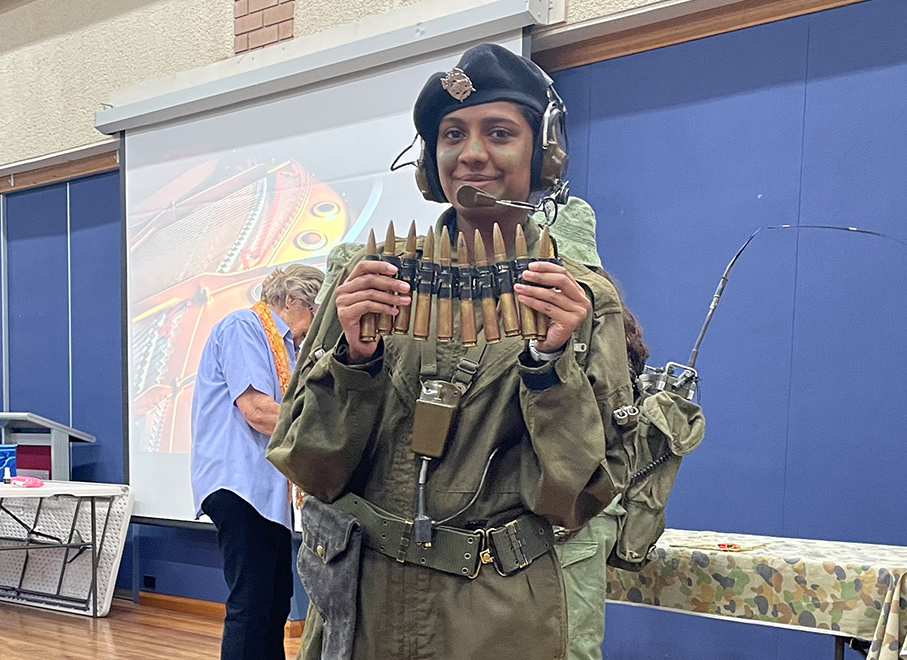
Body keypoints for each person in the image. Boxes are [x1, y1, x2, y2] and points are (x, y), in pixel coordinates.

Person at [268, 44, 634, 660]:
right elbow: (309, 467)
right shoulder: (366, 280)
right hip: (370, 605)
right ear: (428, 160)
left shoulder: (582, 299)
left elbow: (578, 494)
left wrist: (550, 369)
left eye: (499, 133)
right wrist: (356, 363)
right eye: (451, 135)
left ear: (542, 152)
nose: (471, 154)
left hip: (503, 611)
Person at [190, 263, 324, 660]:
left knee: (274, 604)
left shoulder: (287, 347)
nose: (314, 330)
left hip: (267, 491)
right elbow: (258, 410)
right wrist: (321, 428)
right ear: (293, 299)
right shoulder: (243, 327)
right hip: (238, 484)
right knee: (251, 606)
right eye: (316, 315)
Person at [546, 200, 649, 660]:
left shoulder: (591, 313)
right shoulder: (615, 318)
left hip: (576, 518)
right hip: (577, 515)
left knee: (571, 646)